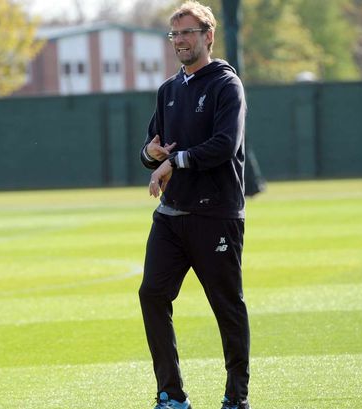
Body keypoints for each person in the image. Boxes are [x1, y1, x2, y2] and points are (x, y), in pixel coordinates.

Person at [138, 1, 251, 409]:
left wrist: (173, 161)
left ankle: (236, 397)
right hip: (172, 215)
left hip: (216, 213)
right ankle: (171, 394)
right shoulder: (169, 90)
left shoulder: (225, 85)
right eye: (175, 34)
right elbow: (153, 148)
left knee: (227, 306)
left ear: (208, 36)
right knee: (152, 294)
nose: (180, 40)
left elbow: (225, 145)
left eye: (188, 32)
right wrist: (151, 155)